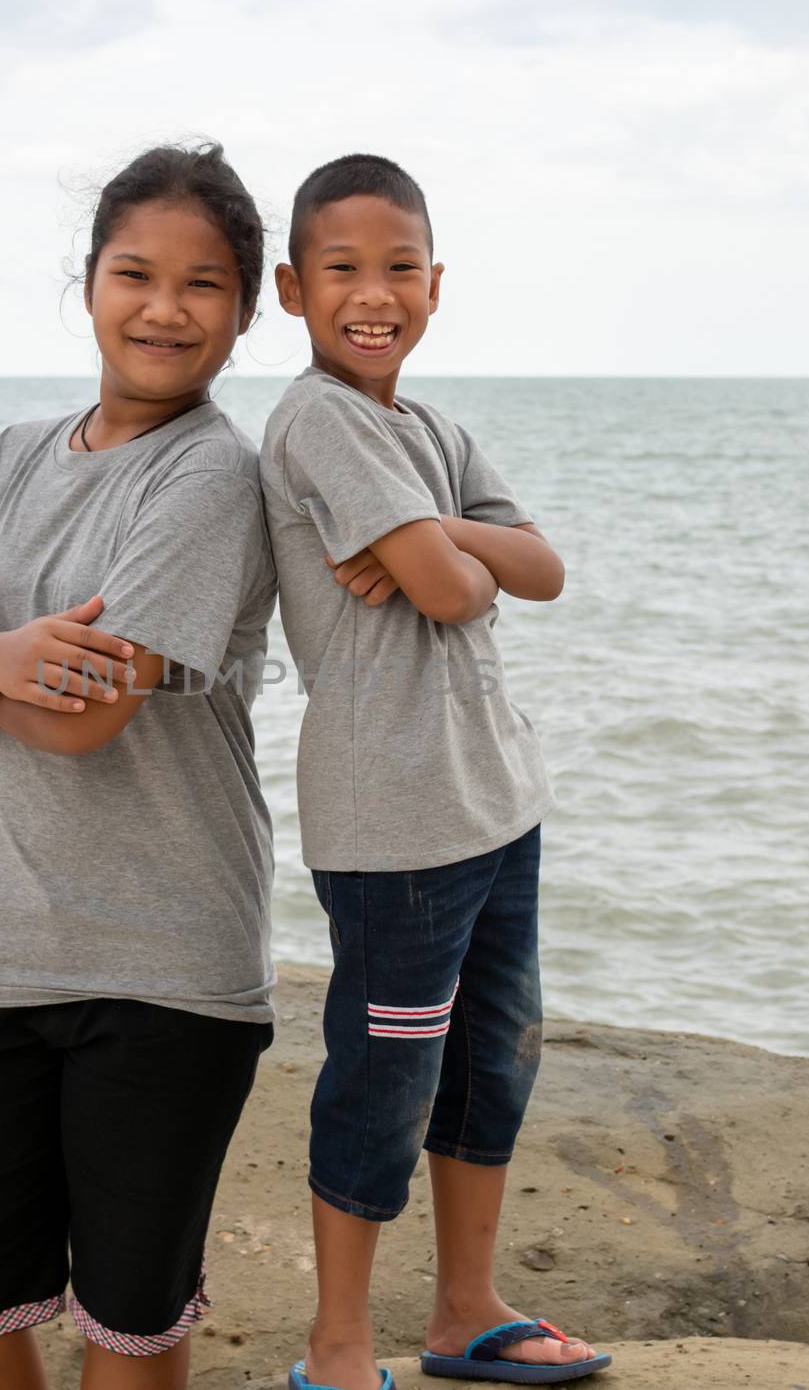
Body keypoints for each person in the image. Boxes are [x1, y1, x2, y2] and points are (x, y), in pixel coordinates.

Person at [0, 141, 277, 1390]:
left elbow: (83, 719)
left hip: (166, 967)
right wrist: (7, 657)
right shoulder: (7, 461)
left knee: (128, 1329)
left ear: (246, 309)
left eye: (203, 285)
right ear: (90, 281)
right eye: (135, 273)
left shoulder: (213, 475)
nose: (164, 308)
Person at [258, 154, 610, 1388]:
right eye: (342, 269)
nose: (374, 292)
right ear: (293, 288)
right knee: (383, 1072)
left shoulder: (431, 429)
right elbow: (467, 591)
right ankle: (337, 1346)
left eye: (398, 267)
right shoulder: (316, 419)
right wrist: (460, 552)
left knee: (492, 1056)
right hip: (394, 822)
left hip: (496, 799)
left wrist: (439, 529)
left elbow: (539, 565)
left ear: (436, 283)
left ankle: (465, 1308)